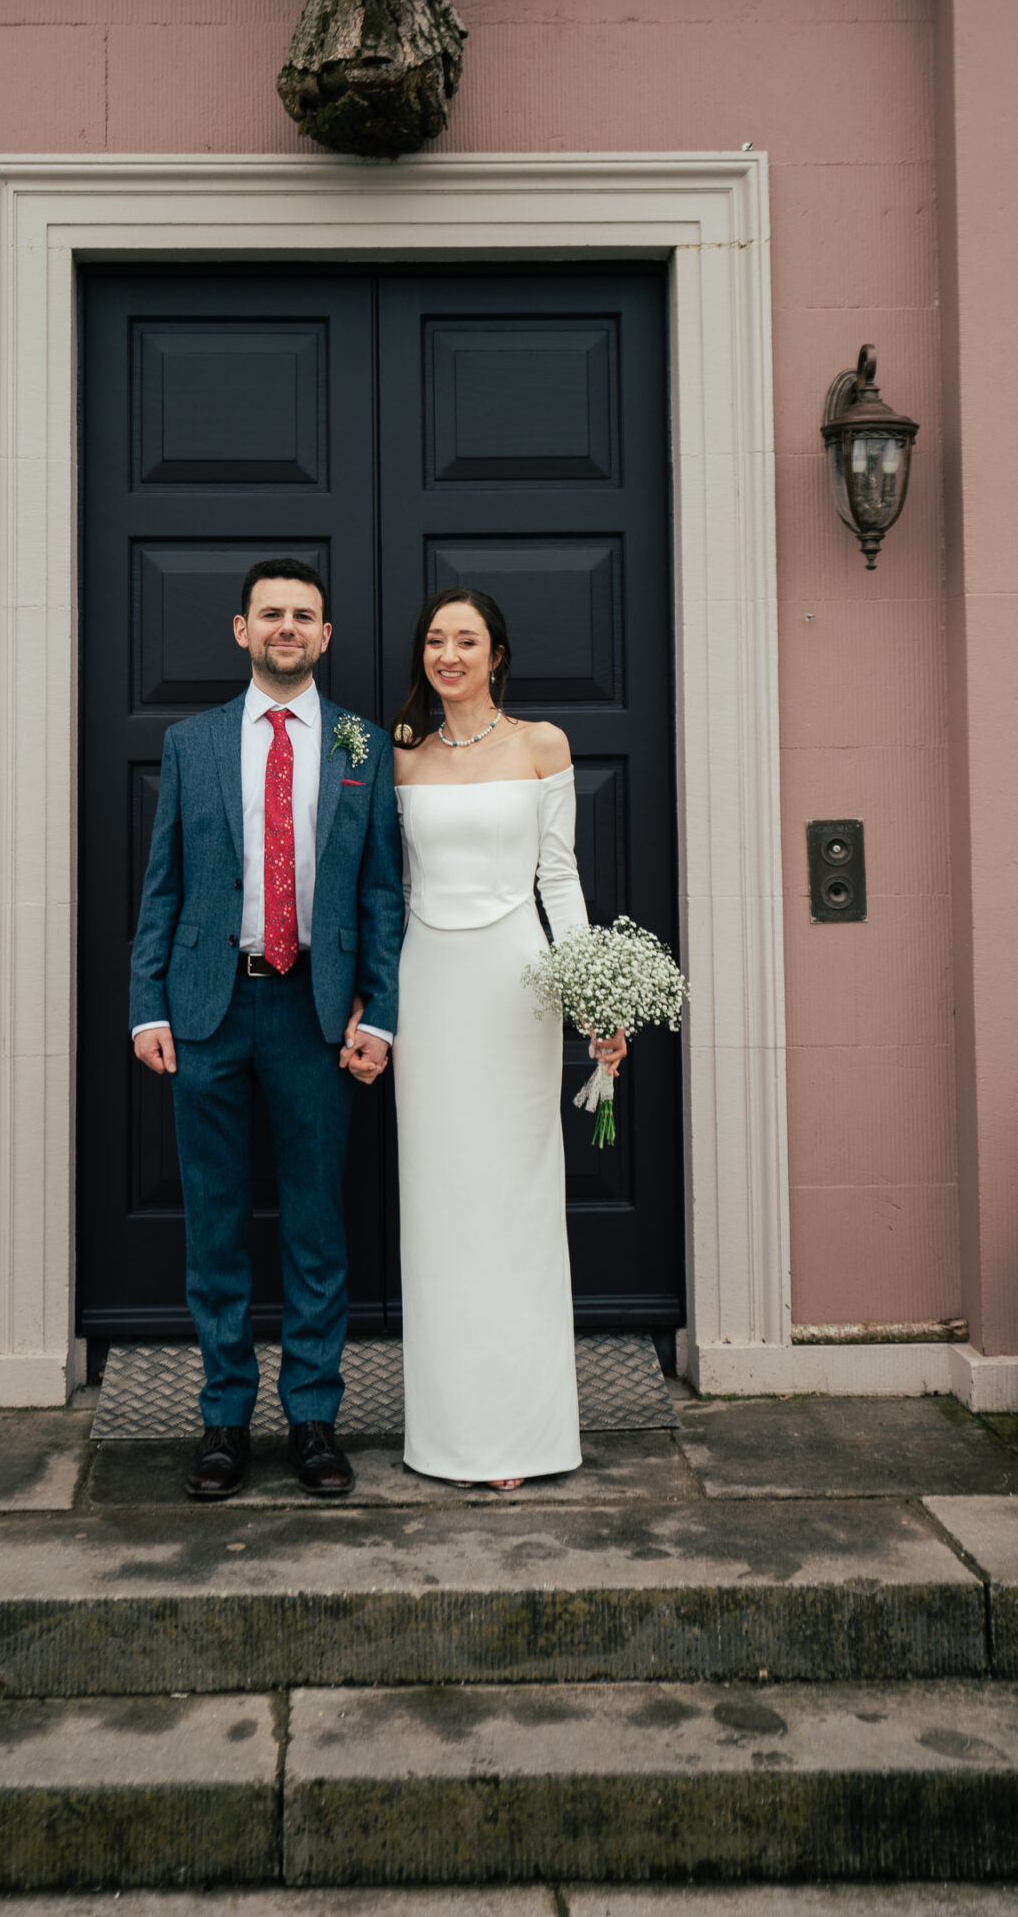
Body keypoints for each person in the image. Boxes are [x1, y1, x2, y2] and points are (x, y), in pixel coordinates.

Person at [129, 559, 401, 1502]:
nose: (287, 628)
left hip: (317, 1013)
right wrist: (148, 1003)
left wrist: (384, 1011)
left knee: (317, 1224)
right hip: (209, 1008)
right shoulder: (191, 742)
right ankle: (223, 1419)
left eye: (304, 616)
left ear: (326, 637)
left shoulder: (363, 746)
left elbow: (380, 894)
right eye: (270, 615)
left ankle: (315, 1418)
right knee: (214, 1225)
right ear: (240, 630)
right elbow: (162, 882)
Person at [392, 587, 628, 1489]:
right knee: (441, 1200)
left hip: (517, 984)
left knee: (516, 1198)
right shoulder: (399, 756)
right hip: (428, 987)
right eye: (435, 641)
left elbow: (558, 881)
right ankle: (451, 1432)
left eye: (467, 640)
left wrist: (590, 999)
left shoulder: (541, 745)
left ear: (497, 655)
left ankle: (521, 1436)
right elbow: (386, 886)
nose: (448, 654)